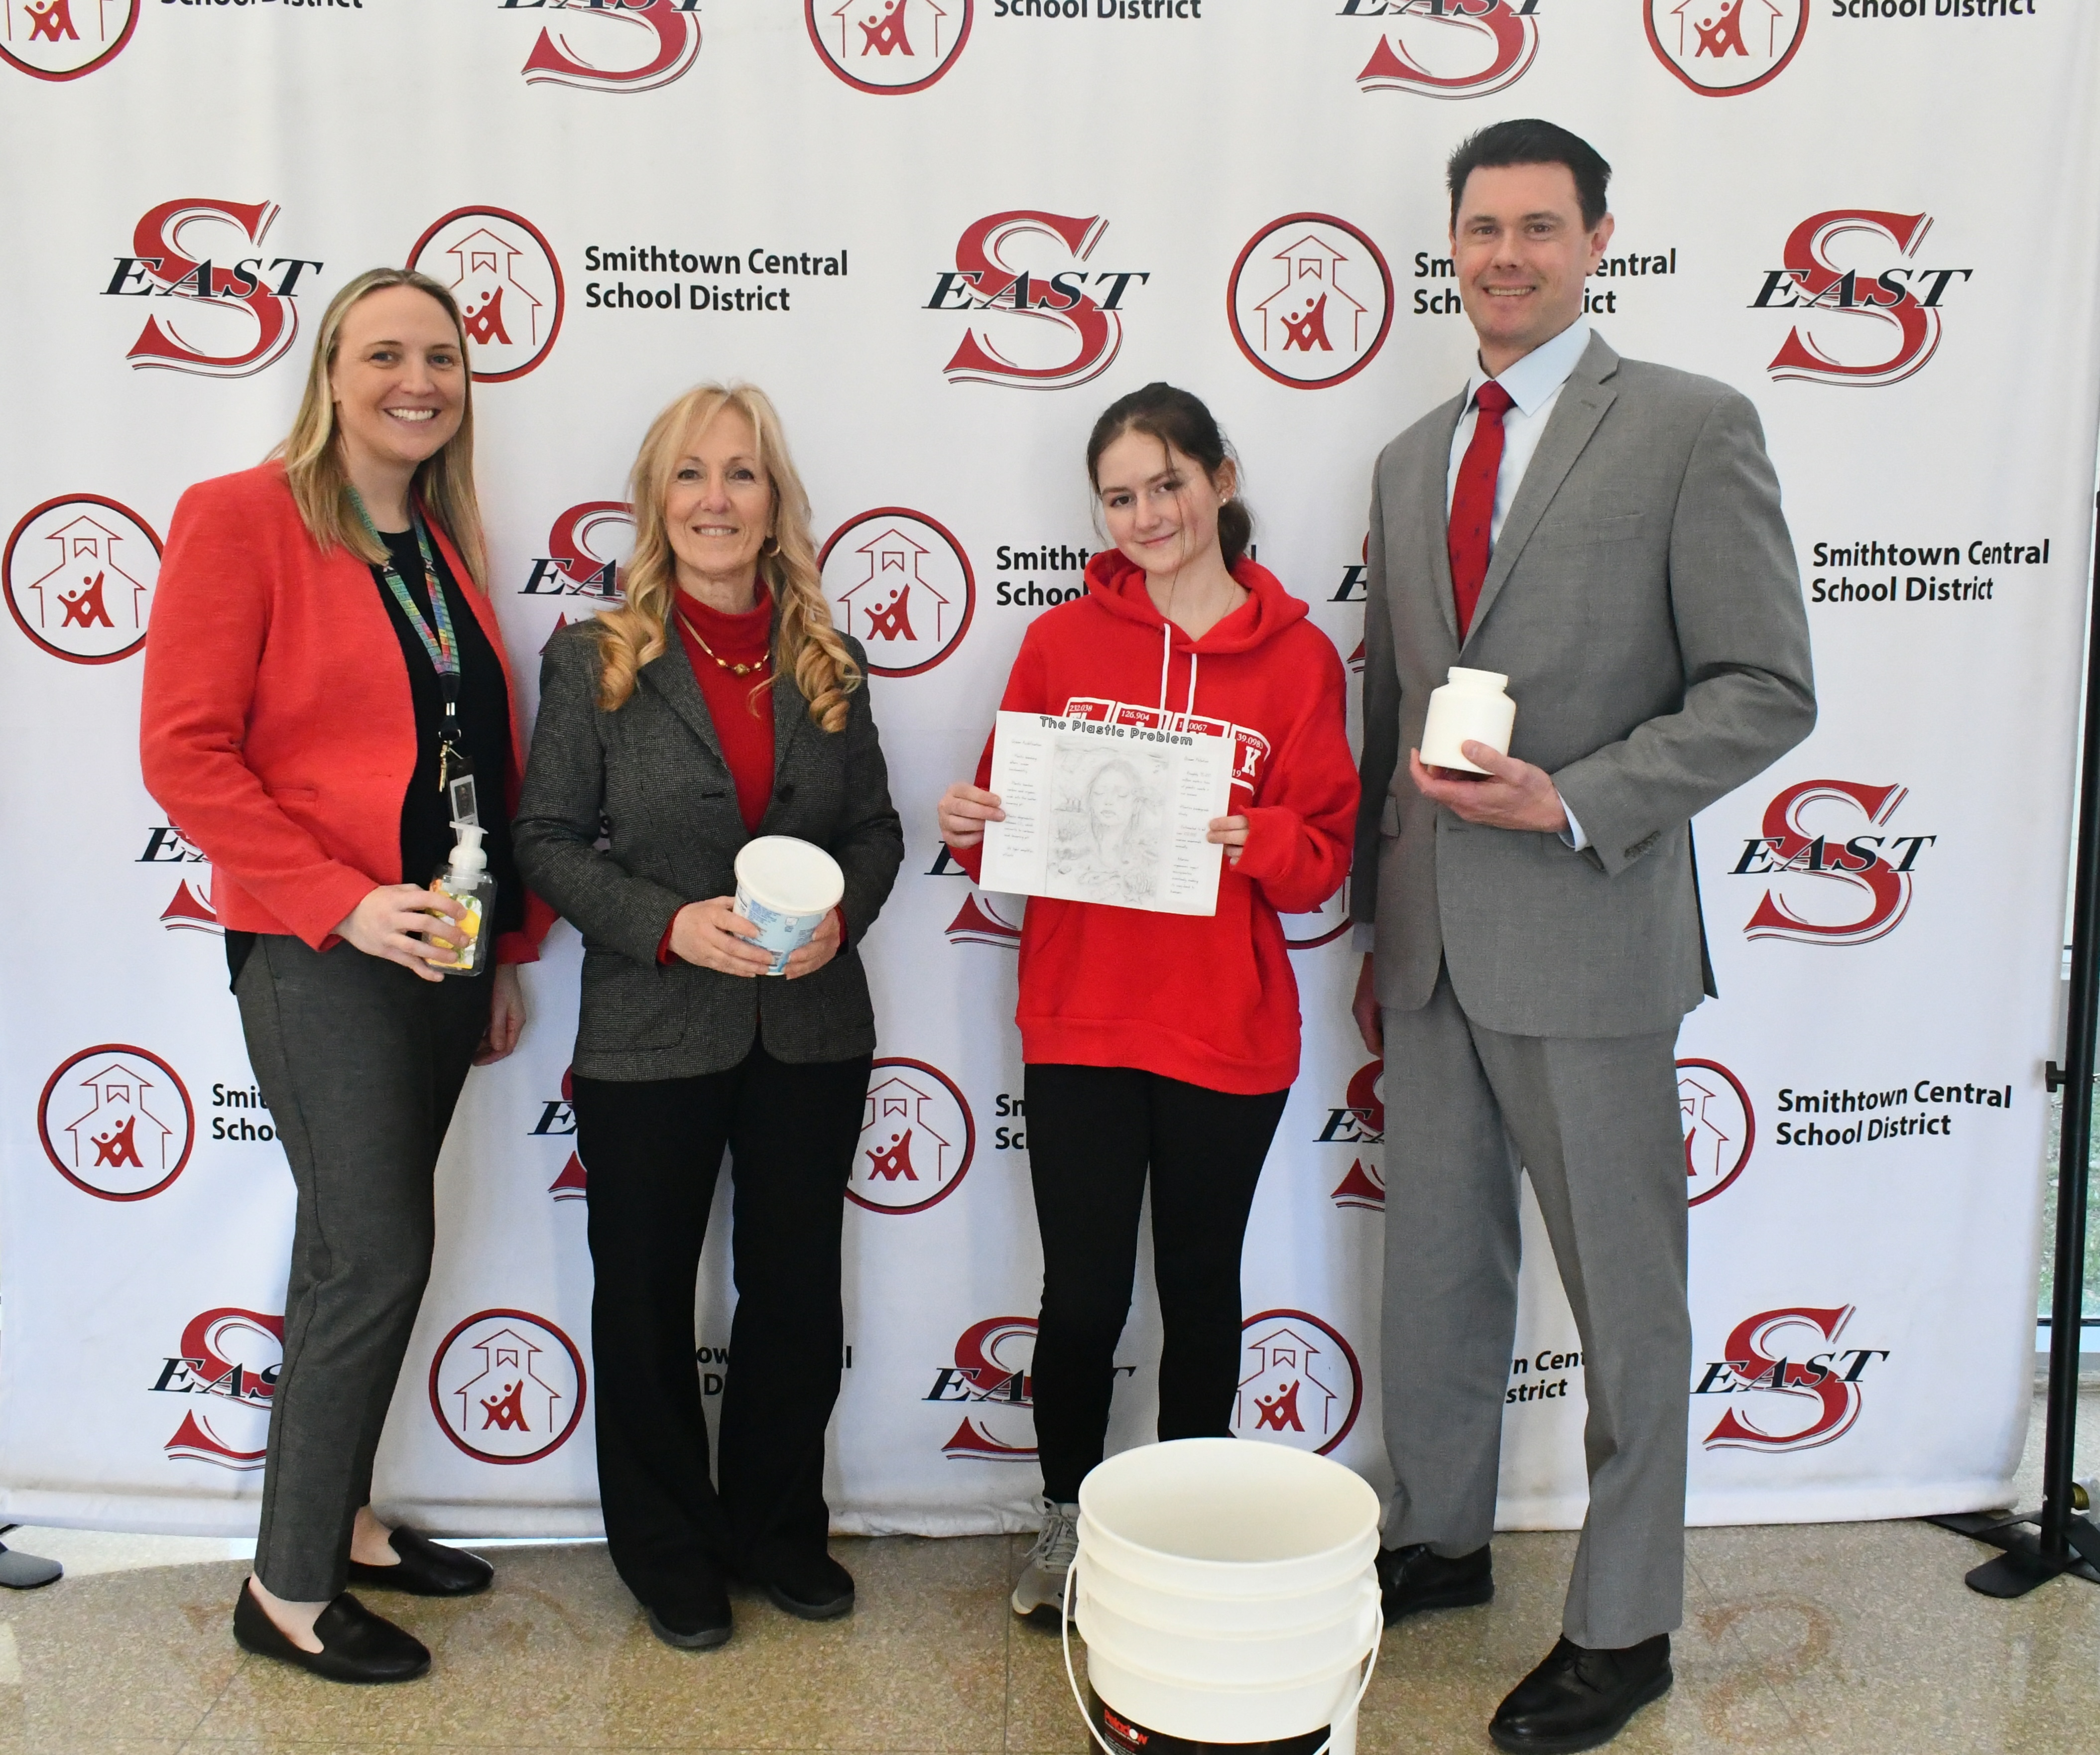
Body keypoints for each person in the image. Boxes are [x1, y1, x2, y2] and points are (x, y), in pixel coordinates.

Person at [1351, 120, 1816, 1752]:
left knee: (1625, 1300)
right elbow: (1383, 700)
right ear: (1450, 245)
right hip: (1422, 942)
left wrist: (1569, 800)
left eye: (1536, 227)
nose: (1502, 255)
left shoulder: (1692, 427)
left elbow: (1765, 687)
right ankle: (1438, 1537)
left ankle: (1622, 1627)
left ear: (1595, 237)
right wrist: (1357, 900)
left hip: (1588, 927)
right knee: (1433, 1277)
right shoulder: (1410, 455)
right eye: (1478, 228)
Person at [139, 266, 551, 1684]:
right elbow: (187, 754)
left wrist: (499, 949)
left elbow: (473, 767)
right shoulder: (241, 518)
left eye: (440, 355)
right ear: (329, 373)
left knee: (353, 1256)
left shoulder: (439, 545)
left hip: (439, 949)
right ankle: (288, 1588)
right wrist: (339, 901)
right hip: (324, 950)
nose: (417, 379)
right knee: (372, 1255)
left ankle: (343, 1517)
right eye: (384, 353)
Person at [938, 383, 1359, 1628]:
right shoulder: (1063, 642)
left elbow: (1327, 853)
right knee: (1080, 1298)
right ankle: (1069, 1524)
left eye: (1167, 484)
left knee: (1200, 1287)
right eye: (1119, 496)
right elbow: (1001, 825)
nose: (1146, 514)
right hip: (1080, 1019)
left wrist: (1262, 833)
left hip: (1227, 1030)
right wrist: (975, 824)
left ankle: (1183, 1534)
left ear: (1221, 479)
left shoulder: (1298, 658)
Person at [513, 383, 903, 1653]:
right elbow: (544, 840)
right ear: (656, 500)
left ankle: (780, 1531)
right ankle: (669, 1551)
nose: (717, 500)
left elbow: (876, 829)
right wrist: (667, 924)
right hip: (651, 1022)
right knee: (641, 1294)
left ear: (775, 501)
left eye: (742, 475)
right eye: (692, 475)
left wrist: (849, 913)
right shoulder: (595, 658)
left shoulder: (830, 658)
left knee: (794, 1290)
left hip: (809, 1026)